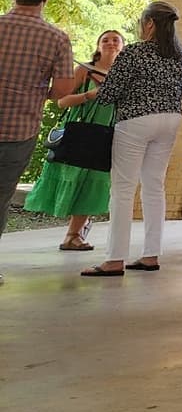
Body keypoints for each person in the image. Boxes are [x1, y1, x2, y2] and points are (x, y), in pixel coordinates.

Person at [81, 0, 182, 277]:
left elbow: (109, 94)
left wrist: (96, 85)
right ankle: (151, 255)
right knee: (154, 185)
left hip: (136, 120)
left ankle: (115, 258)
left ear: (150, 23)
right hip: (170, 119)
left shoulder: (134, 52)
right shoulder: (181, 54)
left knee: (123, 188)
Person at [0, 0, 78, 281]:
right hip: (19, 129)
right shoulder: (56, 38)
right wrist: (35, 91)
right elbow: (62, 90)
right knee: (2, 195)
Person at [28, 28, 124, 250]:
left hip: (106, 135)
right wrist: (88, 96)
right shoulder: (85, 71)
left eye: (115, 40)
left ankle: (74, 235)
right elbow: (61, 102)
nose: (111, 43)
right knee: (75, 176)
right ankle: (74, 233)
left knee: (93, 183)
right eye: (106, 40)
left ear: (123, 46)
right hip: (80, 133)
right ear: (98, 46)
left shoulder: (125, 75)